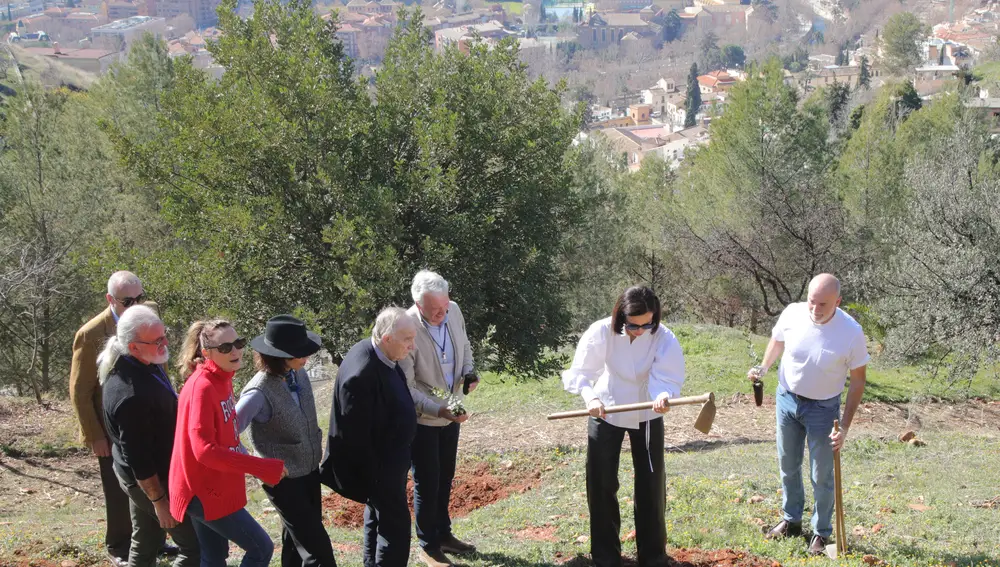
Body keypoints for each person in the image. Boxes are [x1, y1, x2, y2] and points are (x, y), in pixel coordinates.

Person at [562, 285, 685, 567]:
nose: (640, 330)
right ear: (621, 316)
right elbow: (581, 372)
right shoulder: (601, 331)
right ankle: (606, 558)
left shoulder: (664, 336)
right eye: (633, 325)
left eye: (647, 324)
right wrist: (590, 397)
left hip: (646, 410)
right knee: (602, 482)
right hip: (606, 408)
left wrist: (663, 395)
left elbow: (667, 376)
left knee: (651, 484)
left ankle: (653, 559)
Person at [748, 273, 869, 556]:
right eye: (812, 302)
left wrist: (846, 427)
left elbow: (859, 381)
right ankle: (791, 520)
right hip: (787, 400)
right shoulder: (793, 313)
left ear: (838, 302)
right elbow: (778, 341)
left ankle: (821, 533)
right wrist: (764, 368)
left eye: (823, 305)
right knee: (788, 464)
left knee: (821, 474)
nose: (815, 309)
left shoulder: (851, 331)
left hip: (824, 410)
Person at [70, 271, 176, 566]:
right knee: (121, 488)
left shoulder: (148, 316)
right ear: (110, 300)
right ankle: (118, 545)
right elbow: (80, 391)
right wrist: (95, 435)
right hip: (113, 427)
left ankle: (155, 543)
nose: (136, 304)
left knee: (153, 481)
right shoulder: (91, 333)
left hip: (150, 418)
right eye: (127, 300)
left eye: (139, 297)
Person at [169, 318, 287, 567]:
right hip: (200, 489)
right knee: (261, 548)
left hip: (209, 486)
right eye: (225, 347)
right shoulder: (202, 387)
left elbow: (227, 436)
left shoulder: (223, 378)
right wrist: (260, 467)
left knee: (213, 557)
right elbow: (204, 451)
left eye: (238, 343)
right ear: (206, 353)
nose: (235, 350)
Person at [99, 305, 201, 567]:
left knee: (145, 541)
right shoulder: (131, 395)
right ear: (133, 346)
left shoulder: (143, 361)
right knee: (195, 547)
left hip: (138, 475)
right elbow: (140, 459)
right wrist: (159, 502)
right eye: (157, 340)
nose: (165, 343)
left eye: (163, 335)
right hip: (148, 481)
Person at [320, 307, 417, 567]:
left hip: (389, 461)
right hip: (379, 468)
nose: (412, 345)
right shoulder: (360, 375)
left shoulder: (381, 352)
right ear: (387, 339)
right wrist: (377, 479)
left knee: (377, 520)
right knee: (395, 527)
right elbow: (355, 436)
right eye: (407, 339)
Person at [237, 315, 336, 567]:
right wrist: (256, 464)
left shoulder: (297, 374)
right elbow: (228, 431)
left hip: (309, 471)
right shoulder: (257, 392)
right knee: (318, 550)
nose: (306, 358)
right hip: (283, 481)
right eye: (299, 354)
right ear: (278, 356)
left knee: (296, 541)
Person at [398, 271, 478, 567]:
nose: (443, 313)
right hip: (424, 415)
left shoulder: (453, 310)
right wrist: (437, 410)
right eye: (435, 310)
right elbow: (407, 386)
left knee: (446, 474)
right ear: (418, 305)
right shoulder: (406, 326)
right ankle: (428, 546)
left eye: (445, 306)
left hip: (452, 405)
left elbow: (465, 347)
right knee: (427, 479)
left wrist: (469, 373)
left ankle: (444, 534)